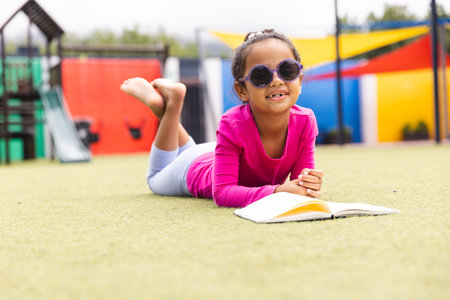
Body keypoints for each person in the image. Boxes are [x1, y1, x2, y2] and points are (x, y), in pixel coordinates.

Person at [120, 29, 323, 208]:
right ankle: (170, 108)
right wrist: (277, 192)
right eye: (261, 76)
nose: (277, 80)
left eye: (288, 70)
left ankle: (167, 108)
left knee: (187, 151)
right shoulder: (233, 123)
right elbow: (223, 193)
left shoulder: (306, 121)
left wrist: (307, 185)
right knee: (155, 179)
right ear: (242, 91)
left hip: (213, 153)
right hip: (193, 168)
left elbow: (300, 187)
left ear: (300, 80)